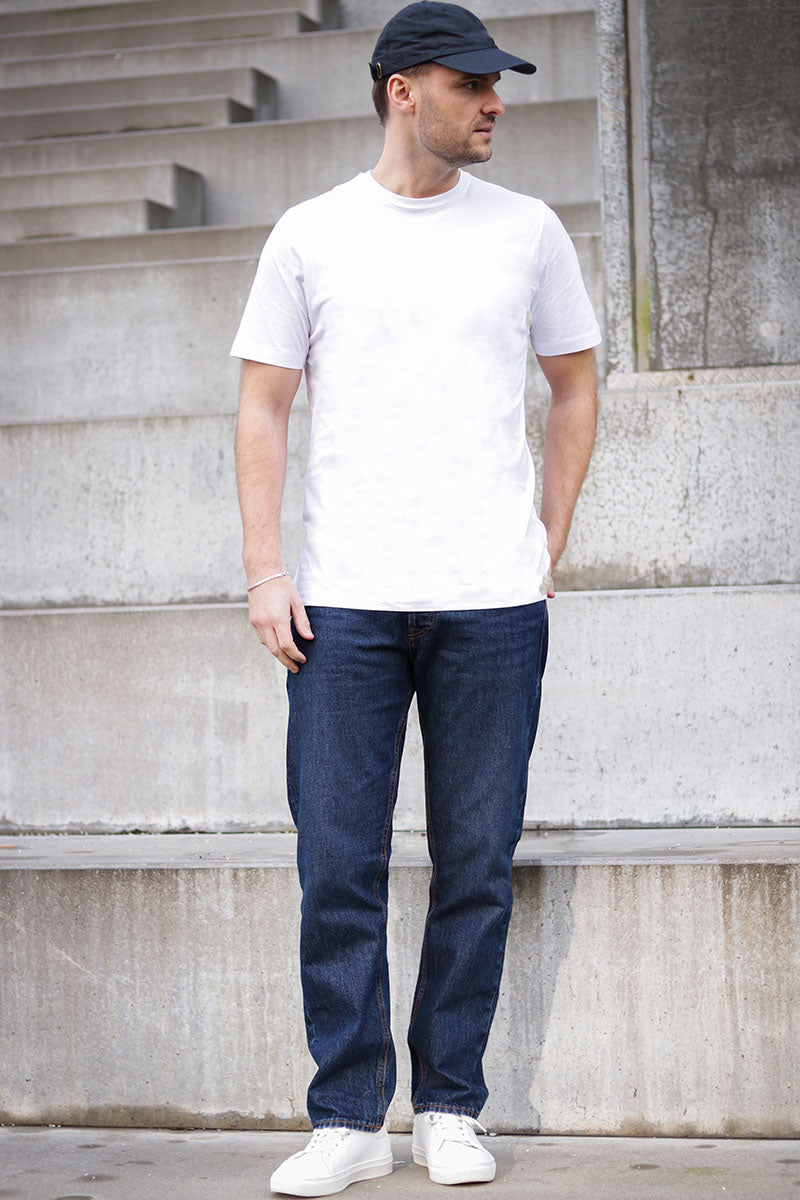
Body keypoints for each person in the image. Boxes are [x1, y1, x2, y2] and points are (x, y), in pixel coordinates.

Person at [231, 2, 600, 1193]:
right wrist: (266, 572)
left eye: (497, 83)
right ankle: (347, 1118)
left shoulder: (527, 230)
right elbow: (262, 405)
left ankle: (448, 1104)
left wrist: (544, 540)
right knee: (337, 865)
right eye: (469, 83)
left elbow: (575, 384)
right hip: (342, 605)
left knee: (475, 863)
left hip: (491, 604)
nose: (493, 102)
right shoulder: (311, 233)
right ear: (401, 89)